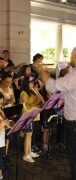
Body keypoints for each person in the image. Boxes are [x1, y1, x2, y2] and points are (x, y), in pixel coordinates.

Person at [38, 47, 76, 180]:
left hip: (74, 124)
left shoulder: (73, 77)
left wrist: (43, 72)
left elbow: (52, 86)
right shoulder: (72, 75)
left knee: (74, 158)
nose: (70, 59)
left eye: (71, 56)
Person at [20, 75, 42, 162]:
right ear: (26, 83)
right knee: (28, 135)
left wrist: (40, 102)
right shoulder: (24, 93)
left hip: (34, 115)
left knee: (30, 135)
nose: (33, 84)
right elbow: (25, 107)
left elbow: (36, 104)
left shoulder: (31, 92)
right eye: (31, 83)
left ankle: (29, 151)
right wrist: (36, 102)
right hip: (28, 116)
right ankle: (26, 154)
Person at [0, 72, 15, 163]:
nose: (8, 84)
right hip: (2, 116)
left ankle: (6, 153)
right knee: (2, 136)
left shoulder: (11, 90)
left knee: (8, 136)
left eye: (10, 82)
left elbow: (12, 103)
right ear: (2, 81)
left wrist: (13, 106)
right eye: (7, 82)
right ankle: (1, 154)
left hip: (9, 115)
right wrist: (5, 102)